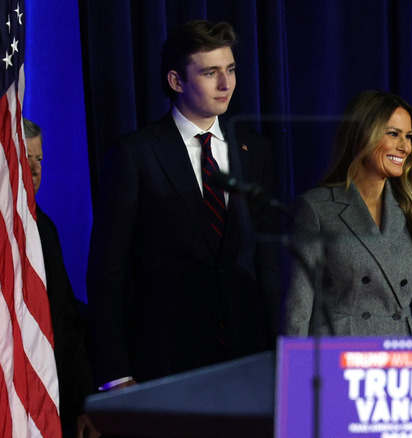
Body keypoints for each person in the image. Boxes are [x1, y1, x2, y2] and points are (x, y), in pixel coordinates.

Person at [87, 20, 278, 391]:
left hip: (247, 359)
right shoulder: (136, 155)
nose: (226, 84)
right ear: (176, 81)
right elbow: (108, 273)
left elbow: (266, 265)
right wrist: (116, 372)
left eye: (231, 70)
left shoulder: (255, 150)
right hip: (165, 361)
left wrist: (277, 351)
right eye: (210, 73)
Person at [284, 90, 412, 337]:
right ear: (363, 135)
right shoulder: (316, 209)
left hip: (406, 358)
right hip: (344, 356)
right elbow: (297, 312)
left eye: (408, 136)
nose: (405, 147)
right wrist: (296, 370)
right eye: (393, 134)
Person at [24, 119, 100, 438]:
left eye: (39, 158)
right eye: (24, 157)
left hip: (50, 403)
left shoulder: (43, 227)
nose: (34, 168)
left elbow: (65, 321)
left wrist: (84, 402)